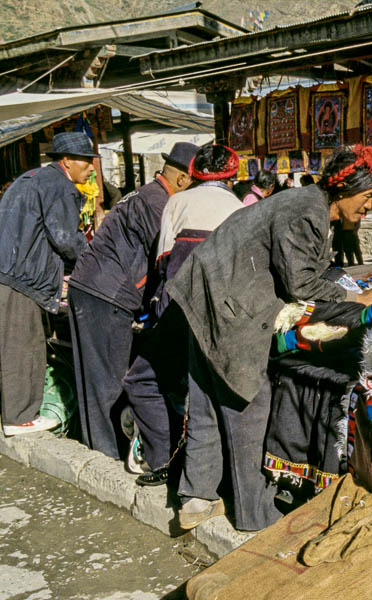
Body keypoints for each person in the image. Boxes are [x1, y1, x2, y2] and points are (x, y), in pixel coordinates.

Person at [164, 145, 372, 531]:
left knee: (204, 398)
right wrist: (357, 298)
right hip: (228, 302)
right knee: (247, 401)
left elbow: (302, 269)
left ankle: (197, 498)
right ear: (345, 187)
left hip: (204, 294)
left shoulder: (304, 203)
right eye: (367, 197)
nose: (368, 207)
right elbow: (300, 282)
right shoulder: (306, 209)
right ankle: (254, 514)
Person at [122, 144, 245, 485]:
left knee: (142, 380)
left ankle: (163, 461)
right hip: (226, 319)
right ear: (231, 178)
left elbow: (163, 264)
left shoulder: (177, 202)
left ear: (194, 174)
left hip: (180, 312)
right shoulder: (239, 208)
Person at [67, 142, 198, 458]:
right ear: (182, 180)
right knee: (107, 381)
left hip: (93, 287)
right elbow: (166, 262)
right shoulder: (158, 205)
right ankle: (104, 454)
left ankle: (102, 445)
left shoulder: (146, 195)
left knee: (97, 377)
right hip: (106, 293)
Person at [0, 132, 93, 436]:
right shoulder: (58, 185)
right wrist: (94, 261)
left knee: (13, 344)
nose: (91, 167)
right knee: (23, 346)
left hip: (9, 271)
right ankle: (19, 417)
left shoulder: (32, 178)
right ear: (67, 161)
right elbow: (65, 238)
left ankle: (13, 411)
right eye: (87, 161)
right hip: (20, 277)